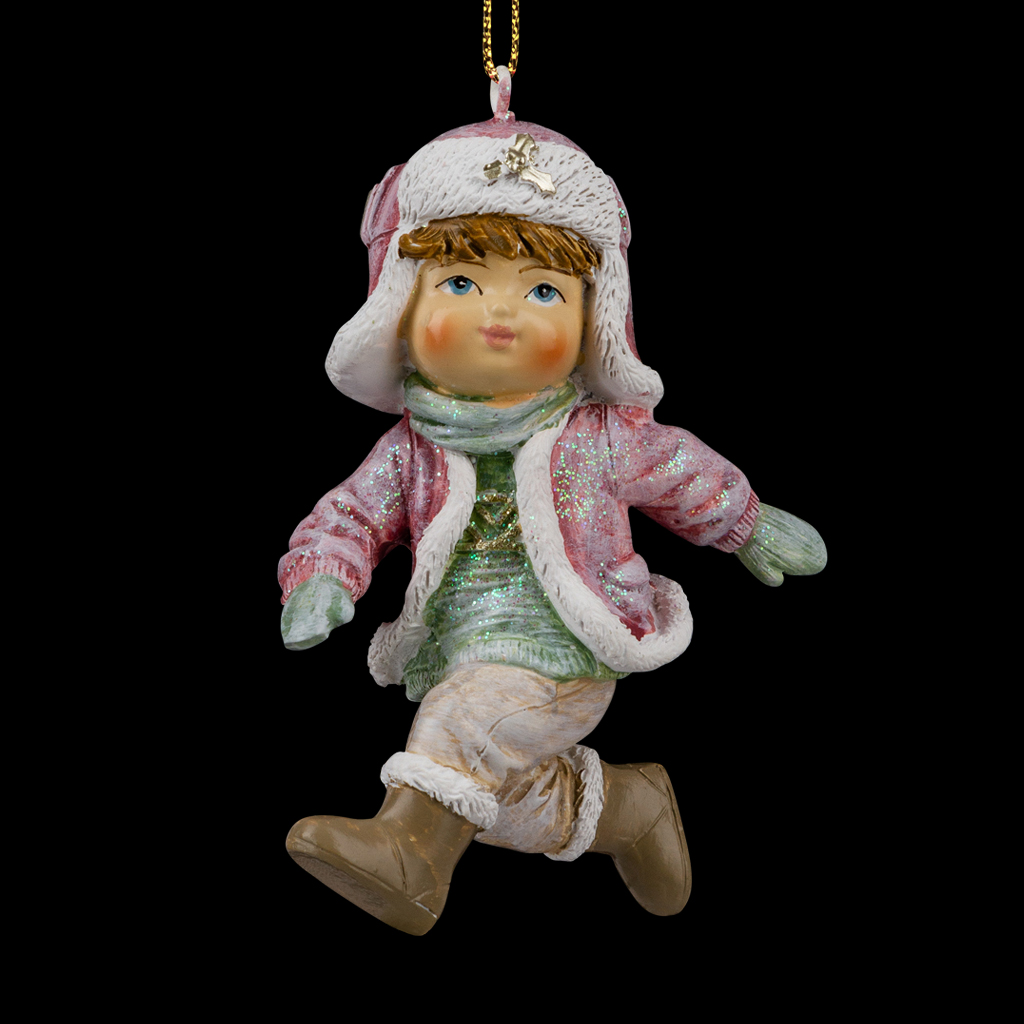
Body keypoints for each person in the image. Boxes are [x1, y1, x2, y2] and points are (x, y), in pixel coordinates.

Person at [278, 119, 826, 936]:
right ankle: (629, 809)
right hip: (458, 647)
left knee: (461, 726)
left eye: (543, 292)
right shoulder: (411, 450)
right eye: (460, 283)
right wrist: (323, 576)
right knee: (484, 795)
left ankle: (410, 860)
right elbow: (349, 516)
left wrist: (747, 523)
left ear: (590, 321)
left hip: (567, 647)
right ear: (401, 308)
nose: (500, 313)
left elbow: (681, 469)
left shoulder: (596, 436)